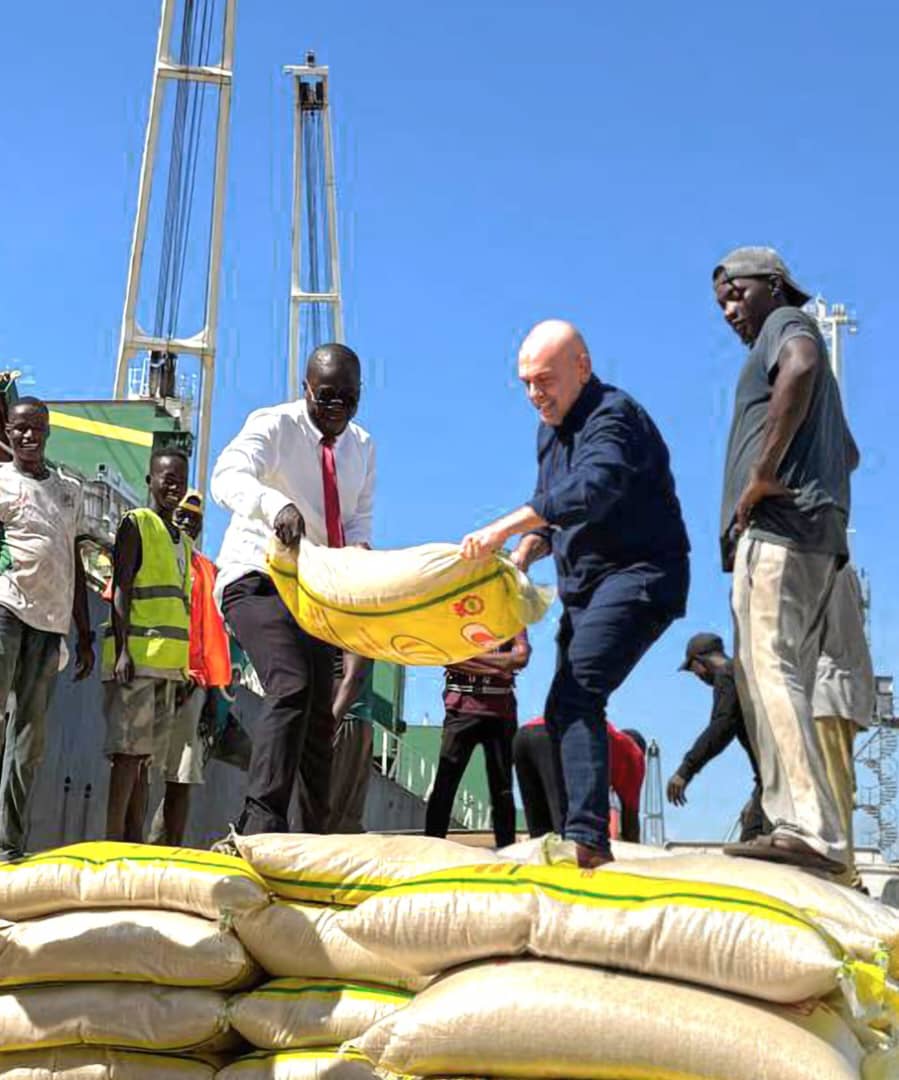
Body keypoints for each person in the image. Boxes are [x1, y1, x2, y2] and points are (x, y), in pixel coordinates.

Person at [461, 320, 690, 866]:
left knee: (578, 691)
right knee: (560, 709)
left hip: (639, 576)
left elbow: (590, 490)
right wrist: (525, 551)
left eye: (545, 380)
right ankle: (570, 831)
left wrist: (503, 528)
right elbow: (555, 509)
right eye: (525, 384)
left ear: (582, 368)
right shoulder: (549, 433)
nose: (535, 394)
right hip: (584, 587)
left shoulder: (615, 417)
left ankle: (588, 840)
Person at [714, 247, 858, 874]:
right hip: (817, 534)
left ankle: (807, 828)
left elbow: (797, 365)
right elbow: (847, 453)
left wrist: (762, 475)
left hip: (779, 531)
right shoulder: (794, 347)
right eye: (722, 300)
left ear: (773, 287)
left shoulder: (786, 328)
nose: (728, 310)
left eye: (735, 294)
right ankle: (803, 827)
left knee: (768, 669)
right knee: (777, 676)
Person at [211, 343, 375, 836]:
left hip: (312, 591)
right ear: (305, 389)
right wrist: (273, 504)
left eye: (348, 398)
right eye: (326, 397)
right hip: (255, 579)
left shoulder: (363, 448)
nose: (337, 409)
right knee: (291, 683)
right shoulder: (274, 425)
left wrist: (362, 565)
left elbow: (358, 522)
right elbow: (226, 475)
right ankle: (260, 824)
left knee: (321, 721)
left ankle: (314, 837)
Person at [0, 397, 94, 861]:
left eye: (37, 428)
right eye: (20, 429)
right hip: (6, 610)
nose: (28, 436)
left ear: (48, 430)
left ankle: (8, 846)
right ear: (9, 431)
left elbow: (73, 560)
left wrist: (85, 632)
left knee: (29, 743)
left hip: (50, 624)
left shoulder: (69, 492)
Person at [102, 447, 191, 843]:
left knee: (144, 761)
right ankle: (112, 840)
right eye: (165, 477)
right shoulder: (136, 523)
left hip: (168, 667)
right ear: (150, 480)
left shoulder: (184, 542)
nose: (172, 485)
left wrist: (184, 669)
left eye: (179, 479)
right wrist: (122, 651)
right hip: (136, 659)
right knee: (126, 754)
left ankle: (133, 842)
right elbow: (121, 587)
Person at [148, 490, 232, 846]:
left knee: (182, 775)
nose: (186, 523)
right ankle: (125, 850)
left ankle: (166, 852)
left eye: (194, 520)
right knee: (134, 767)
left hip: (193, 685)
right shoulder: (149, 549)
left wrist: (215, 694)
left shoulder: (209, 572)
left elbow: (216, 636)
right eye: (182, 515)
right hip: (149, 673)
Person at [425, 631, 531, 849]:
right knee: (445, 784)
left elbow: (521, 657)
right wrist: (502, 666)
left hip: (501, 712)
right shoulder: (458, 615)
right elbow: (448, 657)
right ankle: (432, 848)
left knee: (502, 789)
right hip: (461, 709)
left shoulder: (510, 615)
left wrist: (471, 659)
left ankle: (506, 851)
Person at [667, 632, 766, 842]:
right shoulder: (745, 674)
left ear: (698, 662)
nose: (697, 676)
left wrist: (686, 769)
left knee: (751, 856)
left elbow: (722, 726)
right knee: (753, 834)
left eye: (692, 669)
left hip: (776, 784)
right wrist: (757, 796)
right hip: (773, 782)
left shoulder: (727, 674)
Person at [813, 564, 875, 887]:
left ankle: (841, 876)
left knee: (829, 793)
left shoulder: (814, 566)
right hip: (842, 690)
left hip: (823, 690)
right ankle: (845, 872)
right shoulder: (843, 570)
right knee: (838, 789)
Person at [514, 718, 646, 842]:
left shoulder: (610, 741)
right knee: (568, 834)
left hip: (523, 737)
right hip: (555, 736)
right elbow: (631, 826)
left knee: (540, 837)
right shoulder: (635, 756)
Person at [327, 653, 375, 834]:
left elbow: (354, 676)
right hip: (350, 720)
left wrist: (329, 725)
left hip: (345, 721)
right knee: (345, 821)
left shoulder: (351, 626)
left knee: (330, 816)